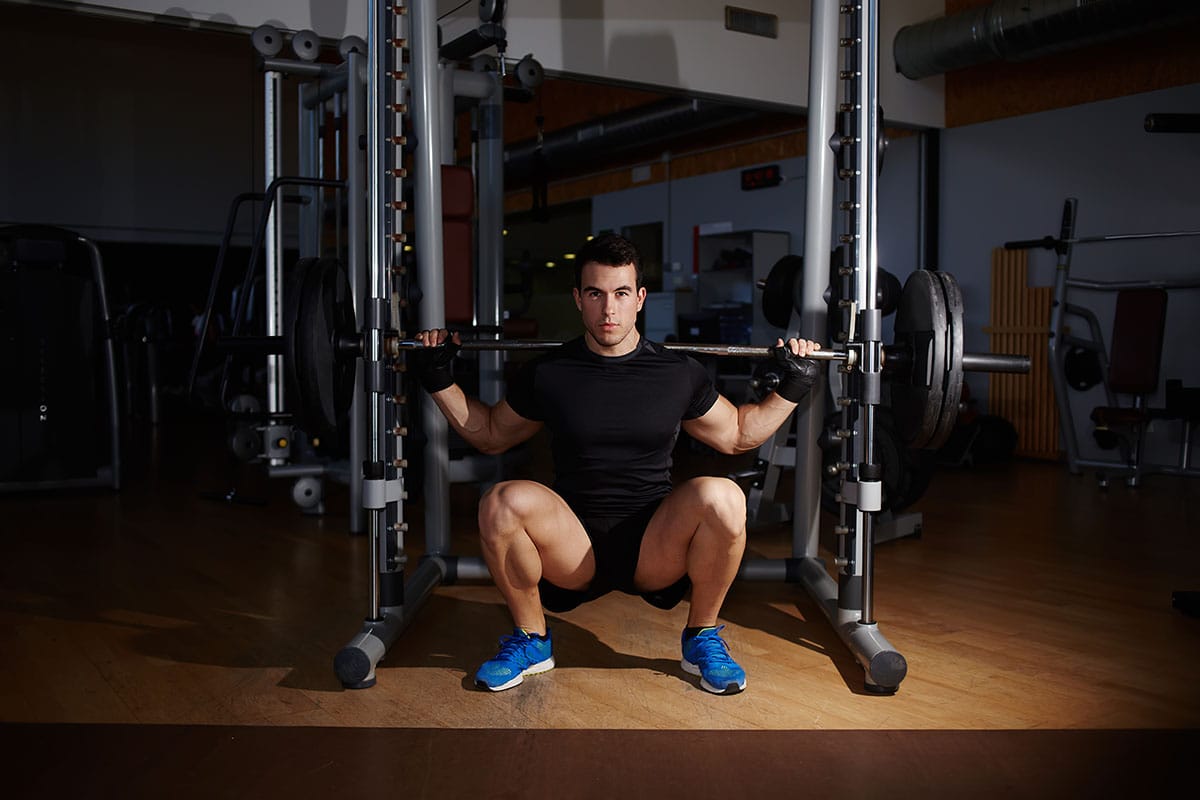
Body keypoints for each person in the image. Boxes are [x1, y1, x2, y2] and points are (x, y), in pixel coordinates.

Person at [412, 233, 821, 695]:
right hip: (572, 547)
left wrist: (794, 386)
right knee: (501, 501)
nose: (609, 310)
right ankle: (532, 639)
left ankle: (702, 635)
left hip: (654, 546)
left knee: (723, 496)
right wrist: (437, 378)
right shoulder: (549, 372)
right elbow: (489, 434)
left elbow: (737, 436)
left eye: (622, 294)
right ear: (578, 300)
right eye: (596, 294)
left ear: (640, 298)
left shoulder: (677, 372)